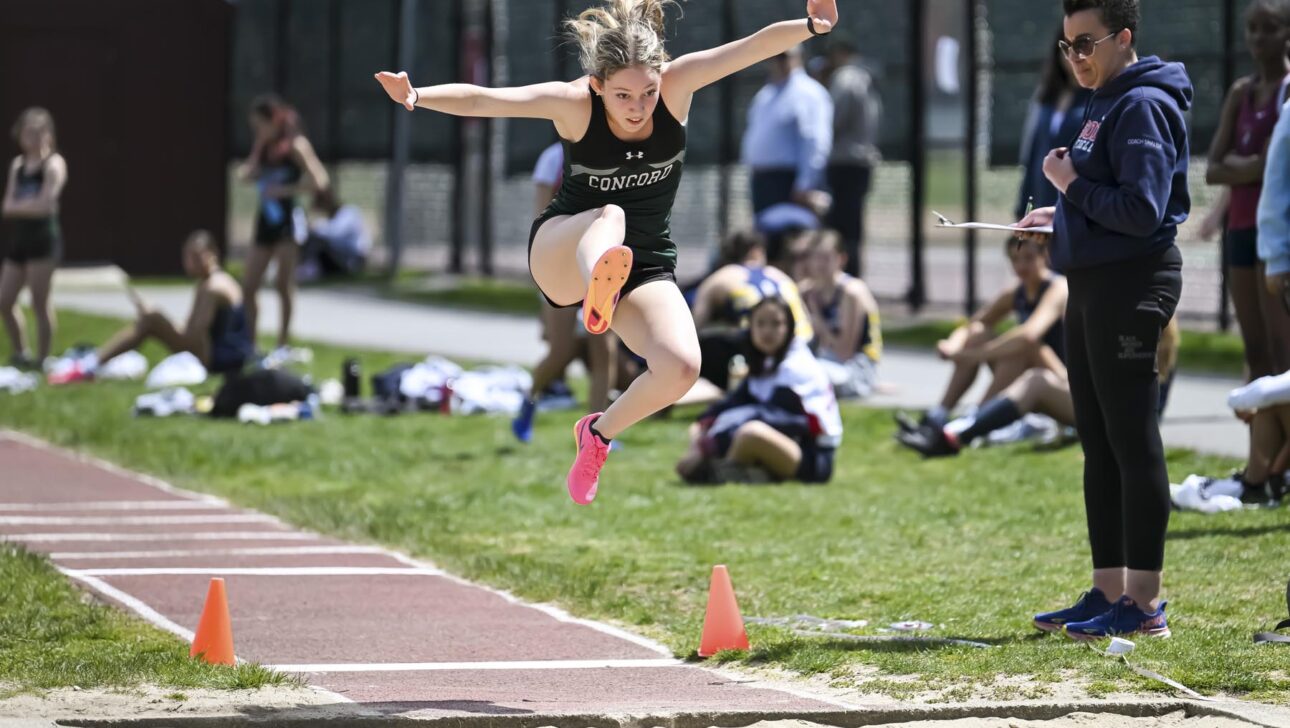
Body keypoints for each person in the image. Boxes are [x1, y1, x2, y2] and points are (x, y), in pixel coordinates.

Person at [377, 0, 841, 505]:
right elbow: (486, 100)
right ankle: (599, 276)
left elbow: (750, 48)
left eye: (647, 92)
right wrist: (415, 95)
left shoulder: (677, 86)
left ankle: (597, 435)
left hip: (642, 264)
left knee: (682, 367)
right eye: (622, 95)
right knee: (611, 215)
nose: (638, 107)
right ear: (598, 86)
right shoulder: (575, 104)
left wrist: (812, 26)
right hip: (563, 249)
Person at [1017, 0, 1191, 641]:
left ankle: (1144, 606)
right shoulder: (1105, 98)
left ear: (1123, 37)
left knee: (1131, 439)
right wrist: (1059, 217)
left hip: (1133, 282)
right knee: (1098, 442)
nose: (1076, 58)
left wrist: (1067, 188)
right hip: (1091, 282)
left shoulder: (1142, 103)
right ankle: (1108, 588)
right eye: (1068, 47)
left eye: (1086, 43)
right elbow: (1105, 200)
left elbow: (1143, 209)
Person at [898, 318, 1180, 457]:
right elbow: (978, 321)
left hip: (1120, 418)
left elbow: (1031, 335)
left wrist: (968, 355)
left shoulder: (1141, 323)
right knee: (1016, 351)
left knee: (1031, 363)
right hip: (1099, 402)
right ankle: (949, 426)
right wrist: (958, 344)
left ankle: (953, 431)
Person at [897, 236, 1067, 431]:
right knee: (979, 334)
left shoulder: (1058, 288)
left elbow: (1029, 335)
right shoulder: (1015, 292)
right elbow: (974, 324)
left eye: (1028, 258)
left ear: (1044, 255)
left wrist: (971, 356)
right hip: (1025, 371)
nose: (1021, 266)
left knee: (1022, 346)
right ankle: (940, 414)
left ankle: (974, 419)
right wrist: (952, 344)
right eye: (1015, 260)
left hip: (1061, 378)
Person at [1205, 0, 1290, 381]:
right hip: (1240, 227)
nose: (1258, 37)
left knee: (1281, 348)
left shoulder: (1286, 95)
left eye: (1269, 28)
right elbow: (1212, 170)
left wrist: (1241, 164)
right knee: (1254, 348)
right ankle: (1260, 439)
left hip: (1276, 233)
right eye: (1252, 28)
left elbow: (1274, 165)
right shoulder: (1242, 92)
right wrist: (1258, 163)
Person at [513, 141, 618, 444]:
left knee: (604, 352)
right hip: (560, 263)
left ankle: (596, 434)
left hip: (599, 264)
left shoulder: (612, 152)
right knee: (561, 350)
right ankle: (528, 402)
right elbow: (542, 218)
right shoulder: (553, 158)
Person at [675, 296, 842, 484]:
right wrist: (704, 427)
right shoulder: (765, 362)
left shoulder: (796, 367)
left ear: (789, 328)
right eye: (760, 324)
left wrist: (713, 444)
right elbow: (733, 402)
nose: (767, 331)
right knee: (700, 427)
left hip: (811, 456)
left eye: (776, 324)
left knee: (751, 433)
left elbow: (785, 420)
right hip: (783, 443)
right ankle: (734, 471)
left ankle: (717, 473)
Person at [48, 232, 254, 384]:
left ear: (213, 255)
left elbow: (194, 335)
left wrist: (159, 320)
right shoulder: (210, 282)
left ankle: (88, 366)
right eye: (188, 257)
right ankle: (92, 363)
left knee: (151, 319)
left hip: (220, 360)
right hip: (226, 355)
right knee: (152, 319)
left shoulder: (213, 287)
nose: (191, 264)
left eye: (197, 257)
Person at [238, 94, 329, 352]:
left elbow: (319, 181)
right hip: (265, 220)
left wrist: (285, 190)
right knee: (249, 286)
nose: (257, 131)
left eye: (260, 125)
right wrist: (249, 171)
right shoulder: (262, 146)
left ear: (274, 120)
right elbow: (246, 173)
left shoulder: (296, 146)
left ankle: (283, 343)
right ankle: (251, 344)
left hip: (288, 221)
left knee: (282, 283)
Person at [691, 229, 812, 390]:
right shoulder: (780, 275)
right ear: (757, 251)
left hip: (760, 352)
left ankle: (719, 389)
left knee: (708, 341)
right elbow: (807, 319)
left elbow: (694, 327)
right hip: (805, 346)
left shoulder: (721, 278)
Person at [1, 108, 65, 371]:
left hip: (43, 242)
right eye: (29, 132)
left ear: (48, 134)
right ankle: (21, 352)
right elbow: (7, 207)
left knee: (40, 301)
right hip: (19, 241)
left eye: (40, 132)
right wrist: (30, 204)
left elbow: (48, 205)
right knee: (4, 300)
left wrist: (21, 205)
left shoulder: (54, 164)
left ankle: (43, 358)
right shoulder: (18, 165)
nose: (34, 138)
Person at [740, 45, 834, 217]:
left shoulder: (809, 93)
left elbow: (815, 141)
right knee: (765, 239)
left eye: (784, 56)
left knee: (789, 241)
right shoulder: (765, 94)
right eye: (774, 55)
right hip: (762, 181)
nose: (778, 61)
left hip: (789, 183)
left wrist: (805, 184)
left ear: (799, 57)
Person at [1016, 26, 1095, 222]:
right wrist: (1021, 210)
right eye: (1066, 47)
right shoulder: (1047, 97)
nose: (1073, 56)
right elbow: (1033, 154)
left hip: (1073, 206)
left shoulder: (1097, 99)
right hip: (1040, 198)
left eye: (1080, 47)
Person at [819, 33, 881, 277]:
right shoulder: (866, 78)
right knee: (852, 226)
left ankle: (845, 275)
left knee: (842, 228)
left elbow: (833, 120)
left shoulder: (846, 78)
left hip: (845, 163)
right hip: (860, 161)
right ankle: (850, 274)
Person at [799, 229, 882, 399]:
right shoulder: (806, 291)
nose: (820, 264)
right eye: (816, 257)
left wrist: (817, 319)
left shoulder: (851, 292)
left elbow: (845, 352)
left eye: (826, 257)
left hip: (856, 367)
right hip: (824, 361)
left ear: (841, 259)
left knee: (807, 376)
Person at [299, 188, 369, 280]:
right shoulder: (332, 217)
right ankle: (306, 268)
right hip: (340, 257)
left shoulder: (348, 212)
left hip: (352, 259)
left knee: (317, 240)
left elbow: (335, 233)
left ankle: (308, 269)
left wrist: (315, 226)